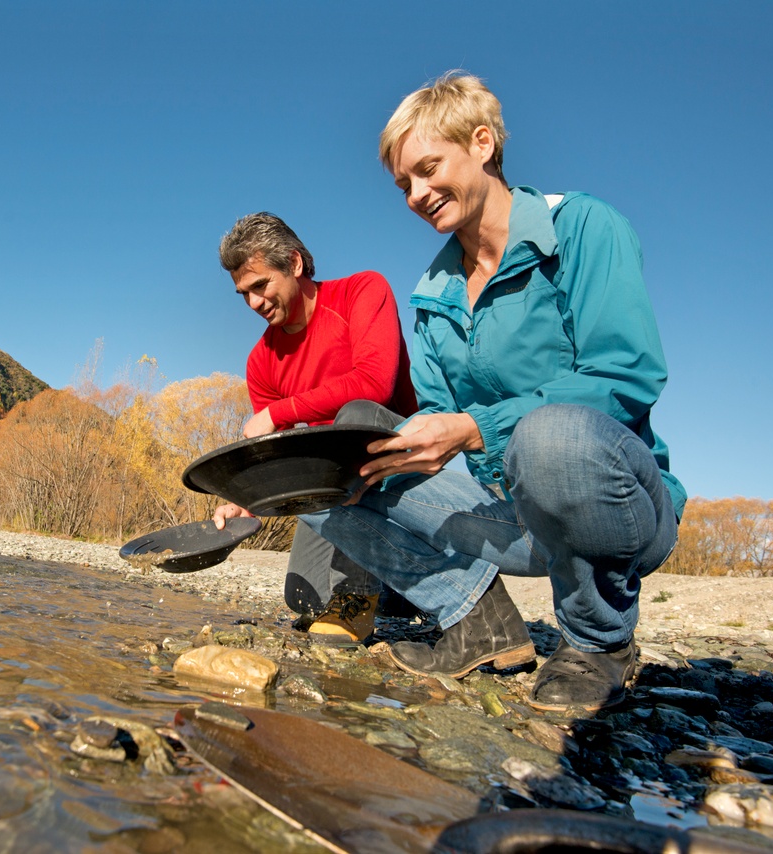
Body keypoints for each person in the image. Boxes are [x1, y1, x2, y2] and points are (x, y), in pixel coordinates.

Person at [302, 72, 685, 712]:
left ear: (482, 143)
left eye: (428, 169)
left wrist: (477, 428)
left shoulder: (583, 228)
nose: (417, 195)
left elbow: (627, 374)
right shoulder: (433, 293)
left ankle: (598, 642)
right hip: (500, 506)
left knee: (550, 435)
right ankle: (477, 623)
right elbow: (438, 416)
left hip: (613, 505)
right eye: (404, 185)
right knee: (317, 478)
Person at [212, 212, 418, 645]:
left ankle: (359, 593)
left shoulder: (363, 290)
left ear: (295, 263)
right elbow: (278, 458)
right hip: (333, 482)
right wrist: (245, 504)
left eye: (261, 285)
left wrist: (280, 411)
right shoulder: (261, 361)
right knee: (302, 598)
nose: (253, 303)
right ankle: (403, 586)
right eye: (243, 294)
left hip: (399, 454)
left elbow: (375, 383)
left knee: (355, 415)